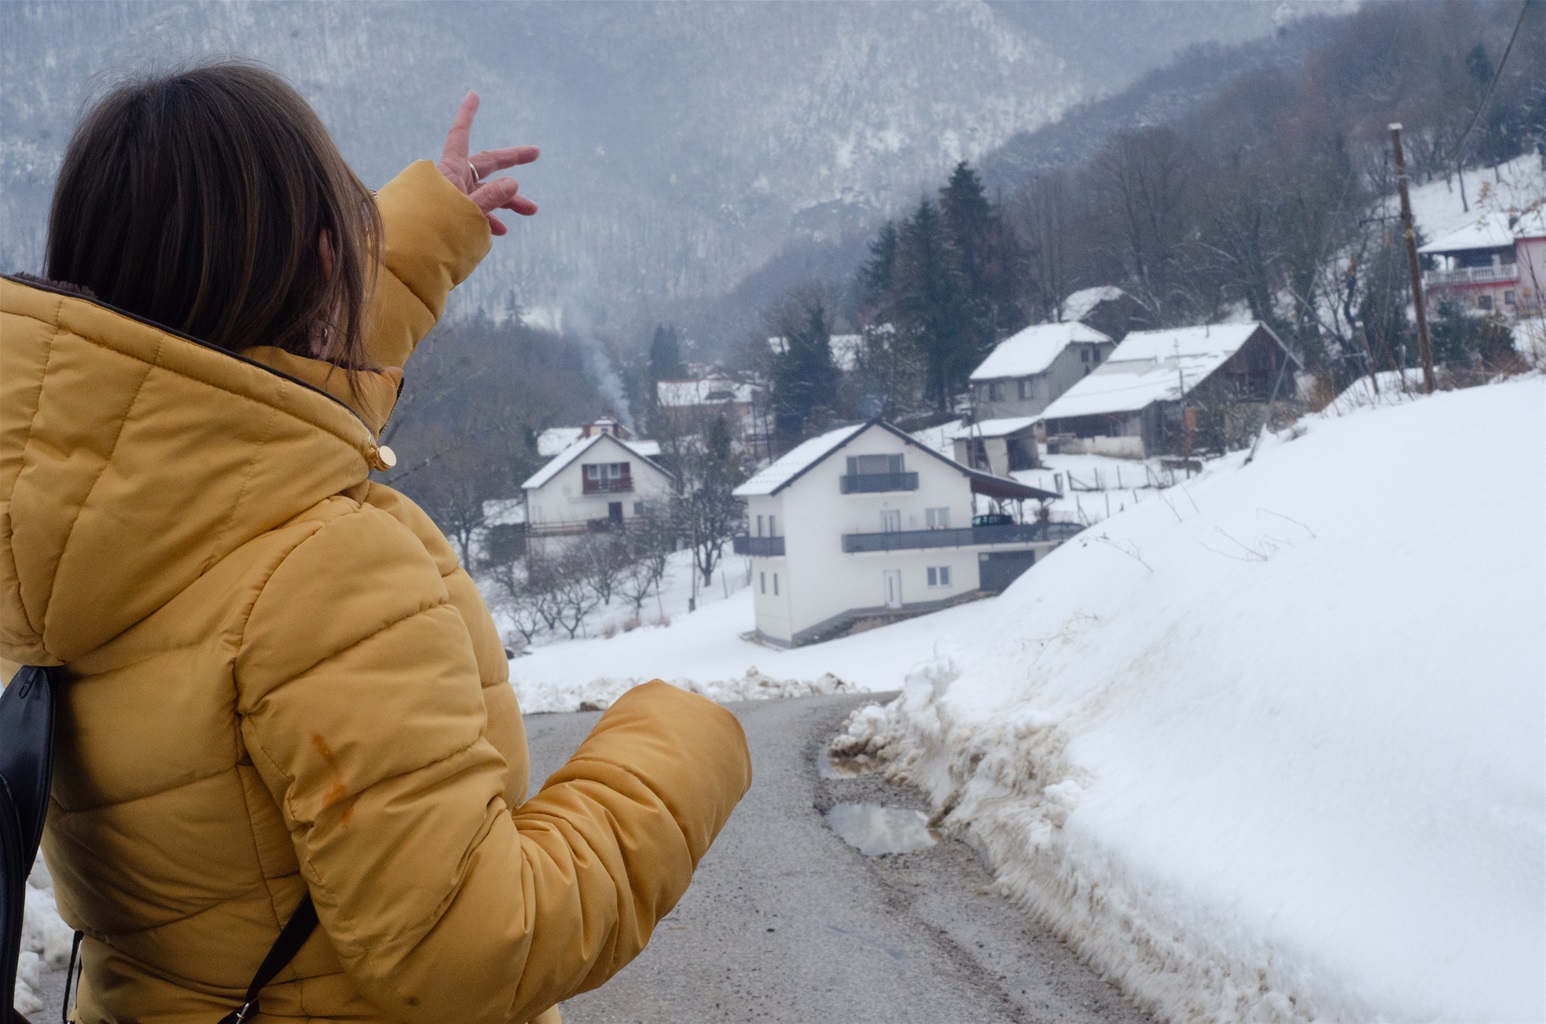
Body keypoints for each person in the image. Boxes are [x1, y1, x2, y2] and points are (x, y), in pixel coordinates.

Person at [0, 61, 752, 1024]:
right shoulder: (325, 574)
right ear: (322, 260)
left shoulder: (77, 518)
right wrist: (678, 748)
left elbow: (232, 397)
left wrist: (428, 226)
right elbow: (476, 947)